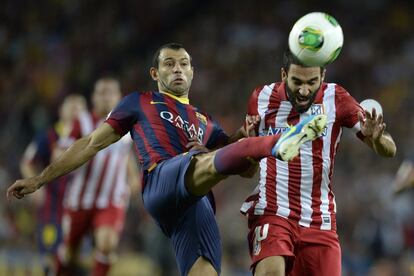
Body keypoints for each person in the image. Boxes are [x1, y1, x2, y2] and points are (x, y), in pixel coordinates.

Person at [7, 43, 327, 276]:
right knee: (199, 158)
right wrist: (39, 179)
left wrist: (242, 138)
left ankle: (265, 144)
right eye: (169, 63)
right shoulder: (139, 102)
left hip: (195, 204)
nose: (177, 68)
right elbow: (90, 143)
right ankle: (277, 141)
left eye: (184, 63)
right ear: (155, 72)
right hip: (161, 180)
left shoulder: (206, 121)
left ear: (192, 72)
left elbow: (243, 171)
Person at [239, 50, 397, 276]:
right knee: (270, 272)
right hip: (273, 211)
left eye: (312, 82)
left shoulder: (336, 98)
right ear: (284, 74)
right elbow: (247, 172)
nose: (304, 91)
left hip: (318, 219)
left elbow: (390, 150)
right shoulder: (261, 98)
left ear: (323, 76)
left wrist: (377, 138)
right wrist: (251, 149)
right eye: (297, 82)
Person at [55, 78, 140, 276]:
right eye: (102, 92)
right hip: (80, 198)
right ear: (94, 97)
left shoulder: (127, 125)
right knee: (69, 252)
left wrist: (134, 179)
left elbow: (125, 155)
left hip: (110, 200)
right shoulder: (81, 122)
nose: (106, 97)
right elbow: (61, 153)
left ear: (119, 97)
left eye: (110, 92)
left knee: (107, 244)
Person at [20, 94, 87, 275]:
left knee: (76, 260)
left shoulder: (91, 138)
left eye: (79, 106)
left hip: (81, 207)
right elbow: (27, 162)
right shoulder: (49, 136)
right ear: (60, 111)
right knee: (50, 256)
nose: (75, 109)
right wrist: (35, 188)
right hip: (53, 207)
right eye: (70, 105)